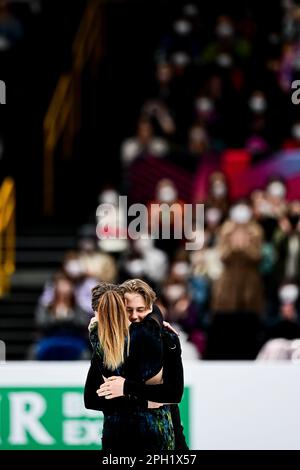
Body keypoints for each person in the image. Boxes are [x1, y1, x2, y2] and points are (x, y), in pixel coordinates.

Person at [86, 279, 188, 450]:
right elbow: (91, 399)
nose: (134, 316)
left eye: (141, 309)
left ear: (150, 308)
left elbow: (173, 394)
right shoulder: (107, 342)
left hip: (162, 433)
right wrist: (144, 400)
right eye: (128, 310)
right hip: (118, 437)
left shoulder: (165, 338)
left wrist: (126, 388)